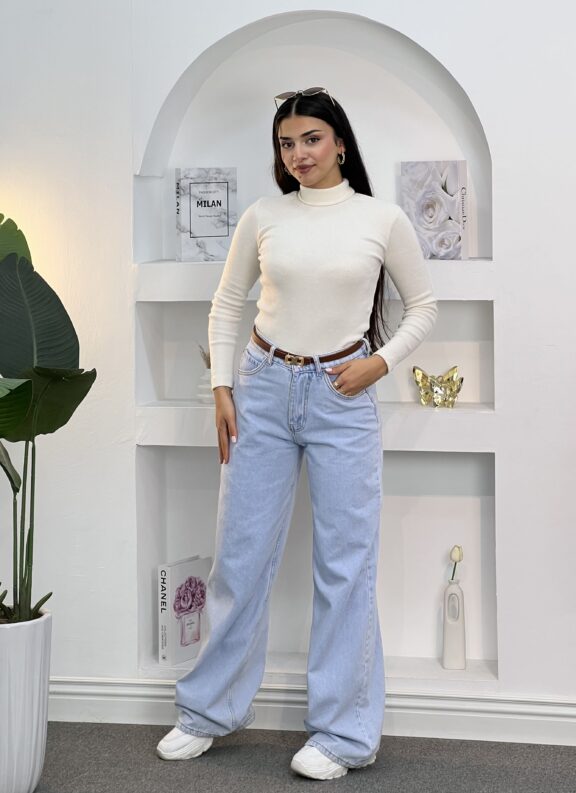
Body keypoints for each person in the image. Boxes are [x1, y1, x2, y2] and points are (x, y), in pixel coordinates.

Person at [156, 86, 438, 780]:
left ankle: (341, 735)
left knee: (346, 565)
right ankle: (207, 712)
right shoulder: (264, 215)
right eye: (286, 143)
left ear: (339, 142)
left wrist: (377, 363)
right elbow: (228, 302)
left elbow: (424, 306)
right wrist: (222, 387)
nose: (298, 154)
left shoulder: (380, 218)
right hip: (262, 387)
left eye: (311, 139)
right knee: (240, 555)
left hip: (343, 393)